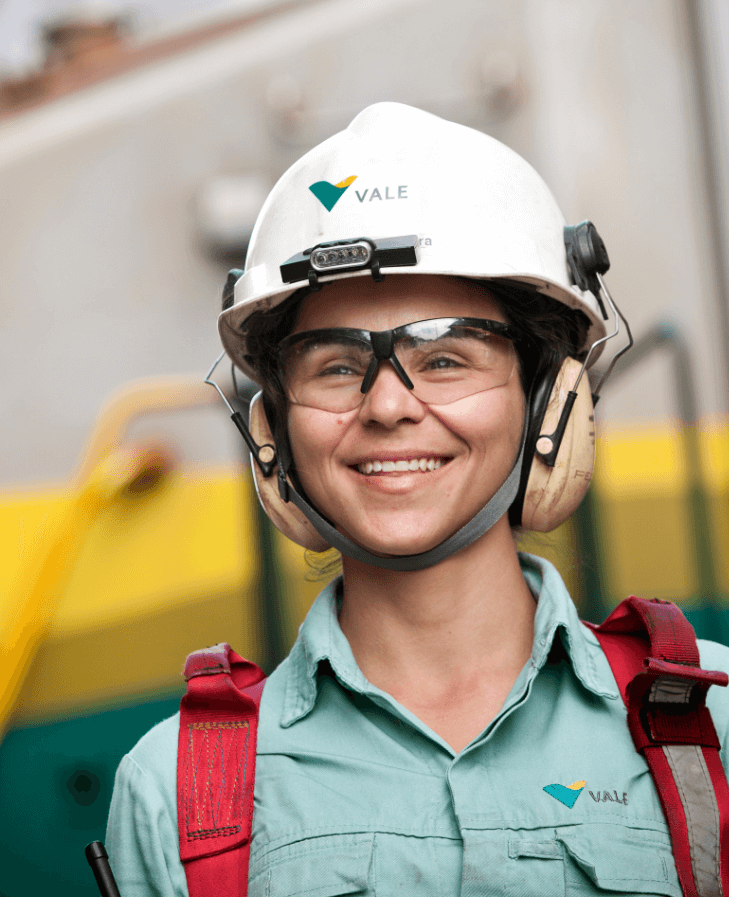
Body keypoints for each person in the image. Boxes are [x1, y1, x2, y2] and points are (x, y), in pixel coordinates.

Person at [106, 102, 729, 896]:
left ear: (548, 403)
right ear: (274, 432)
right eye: (334, 366)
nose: (387, 406)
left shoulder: (711, 727)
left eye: (443, 359)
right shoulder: (172, 787)